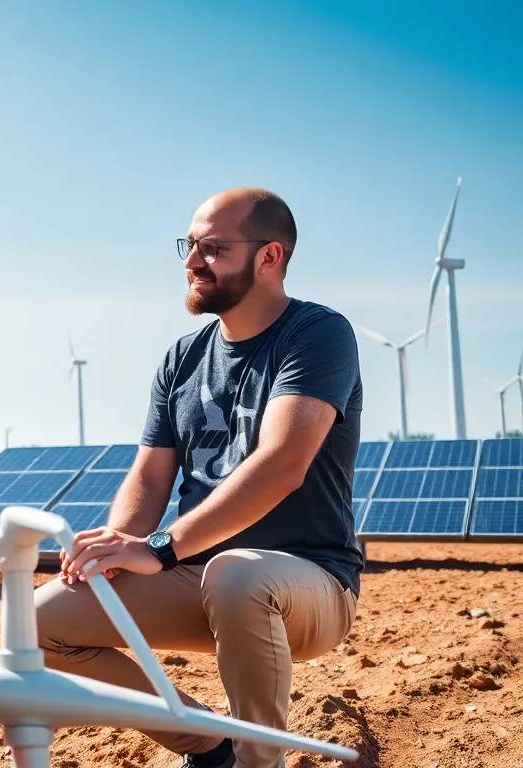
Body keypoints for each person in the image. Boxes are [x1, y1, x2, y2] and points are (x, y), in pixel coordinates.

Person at [33, 188, 364, 768]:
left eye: (212, 248)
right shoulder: (181, 358)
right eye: (189, 245)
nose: (191, 261)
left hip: (309, 584)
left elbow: (284, 464)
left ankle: (262, 763)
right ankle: (210, 746)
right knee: (36, 622)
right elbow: (149, 477)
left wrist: (160, 547)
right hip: (197, 575)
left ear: (270, 256)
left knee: (236, 575)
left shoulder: (317, 335)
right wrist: (115, 547)